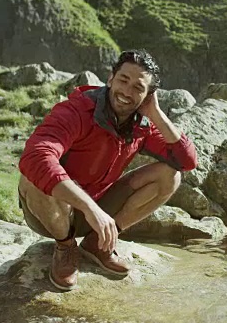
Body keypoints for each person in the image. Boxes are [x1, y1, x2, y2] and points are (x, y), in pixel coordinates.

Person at [17, 49, 197, 291]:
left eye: (138, 87)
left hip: (99, 209)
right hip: (54, 213)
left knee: (170, 175)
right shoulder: (77, 110)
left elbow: (186, 161)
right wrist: (89, 207)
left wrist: (155, 113)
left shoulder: (141, 125)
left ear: (147, 95)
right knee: (32, 178)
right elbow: (35, 157)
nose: (127, 92)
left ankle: (96, 245)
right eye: (123, 80)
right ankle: (66, 247)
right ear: (111, 79)